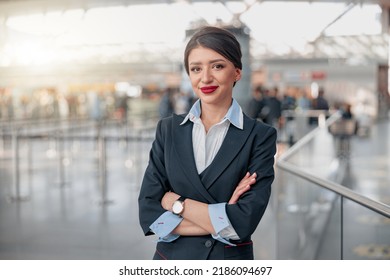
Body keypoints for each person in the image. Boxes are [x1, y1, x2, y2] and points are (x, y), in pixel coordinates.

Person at [138, 26, 277, 260]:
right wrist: (222, 217)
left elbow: (243, 222)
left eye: (218, 66)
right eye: (196, 68)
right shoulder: (168, 130)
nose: (205, 78)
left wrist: (175, 202)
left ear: (237, 72)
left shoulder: (260, 136)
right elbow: (149, 214)